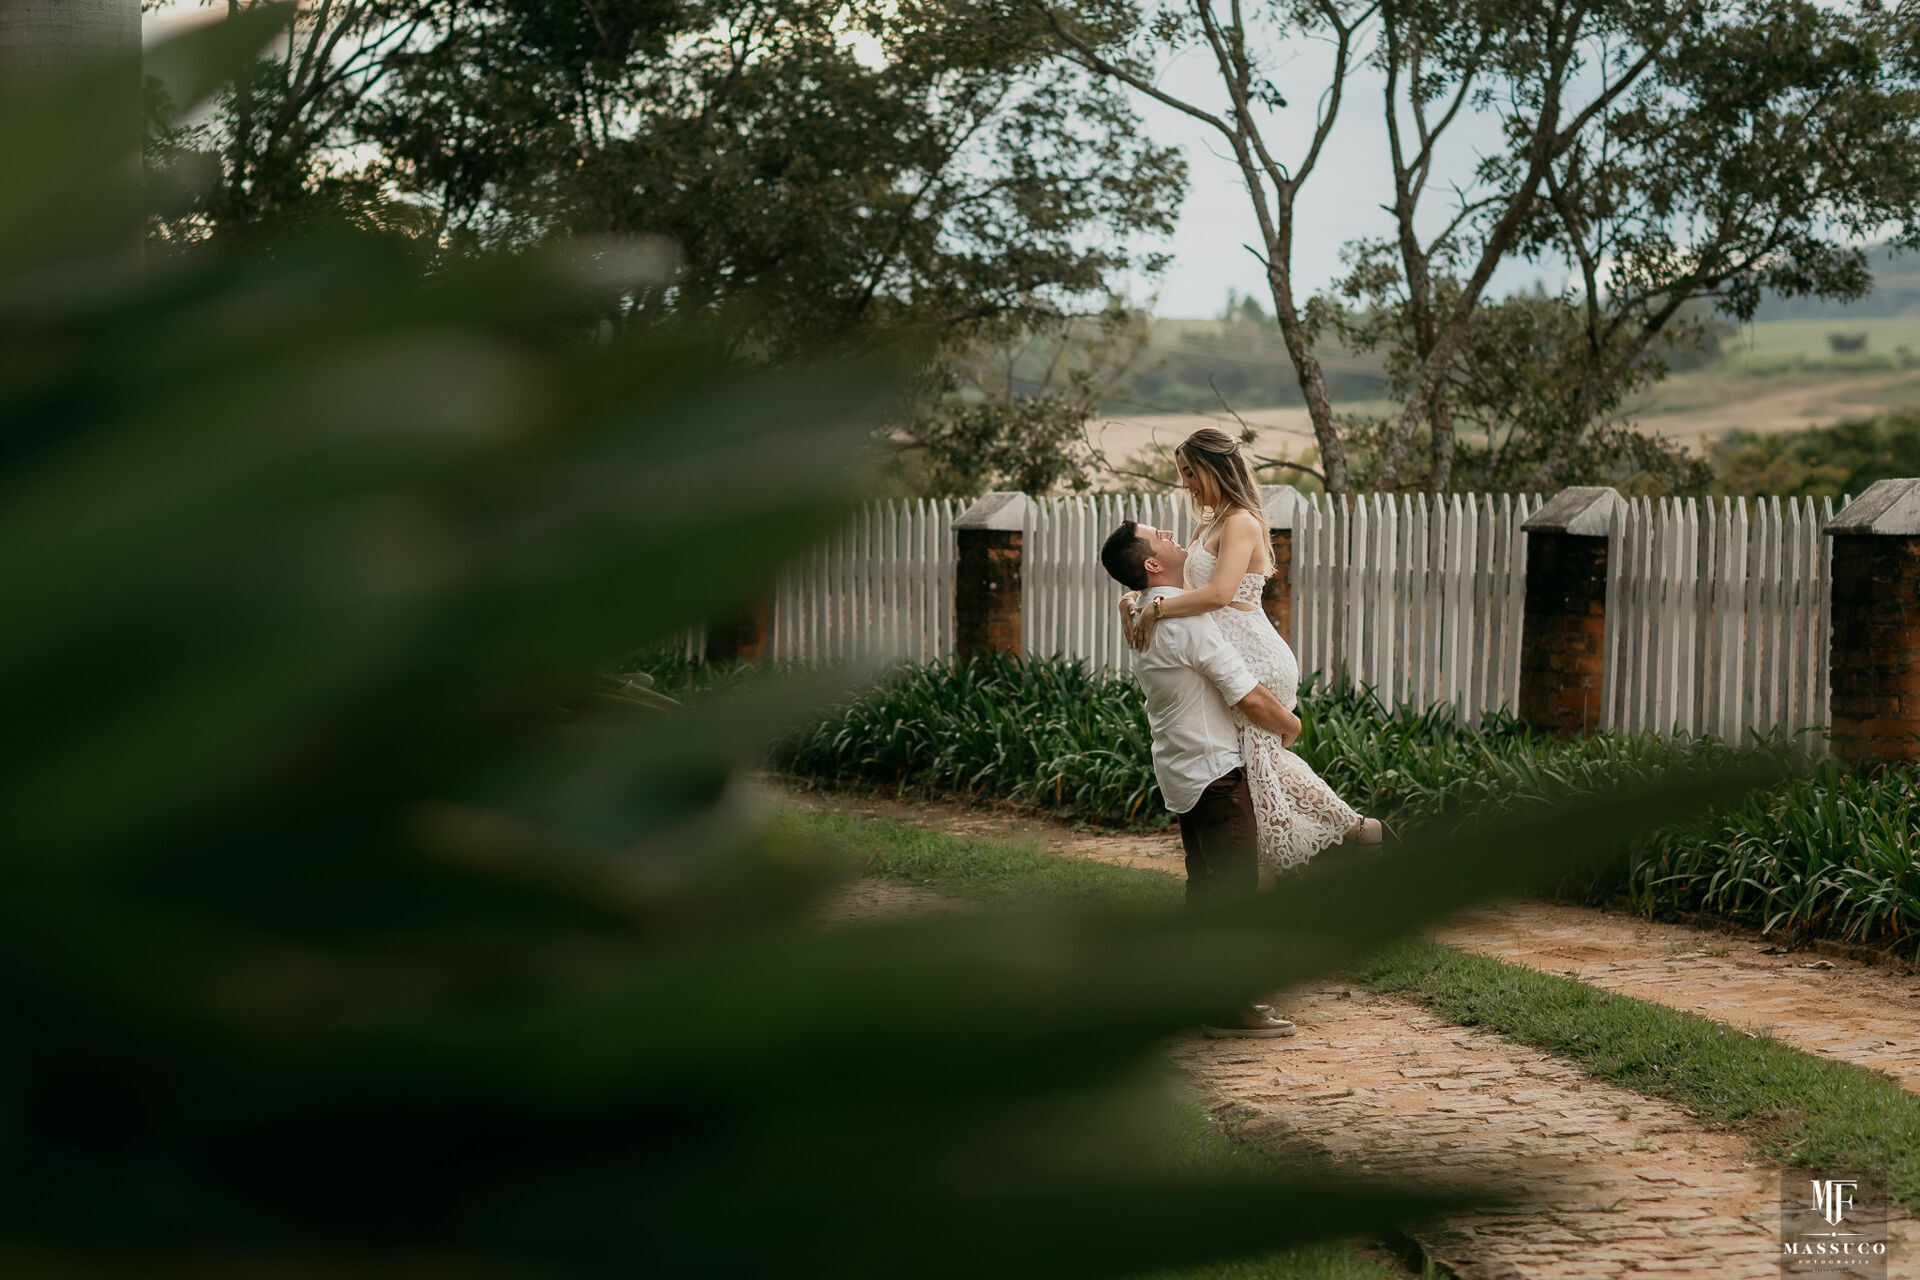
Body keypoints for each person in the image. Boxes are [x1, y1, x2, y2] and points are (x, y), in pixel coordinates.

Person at [1125, 428, 1384, 872]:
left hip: (1255, 654)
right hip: (1227, 651)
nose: (1186, 483)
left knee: (1260, 765)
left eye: (1191, 472)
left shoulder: (1241, 521)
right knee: (1261, 766)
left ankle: (1356, 835)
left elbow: (1219, 595)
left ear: (1214, 468)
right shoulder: (1209, 522)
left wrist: (1157, 610)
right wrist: (1132, 599)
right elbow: (1183, 584)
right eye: (1182, 473)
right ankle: (1354, 836)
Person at [1098, 518, 1302, 1039]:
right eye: (1161, 537)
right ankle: (1230, 1007)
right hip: (1216, 772)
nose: (1172, 536)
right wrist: (1291, 725)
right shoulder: (1183, 621)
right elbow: (1247, 694)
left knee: (1205, 888)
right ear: (1151, 563)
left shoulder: (1143, 613)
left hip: (1181, 769)